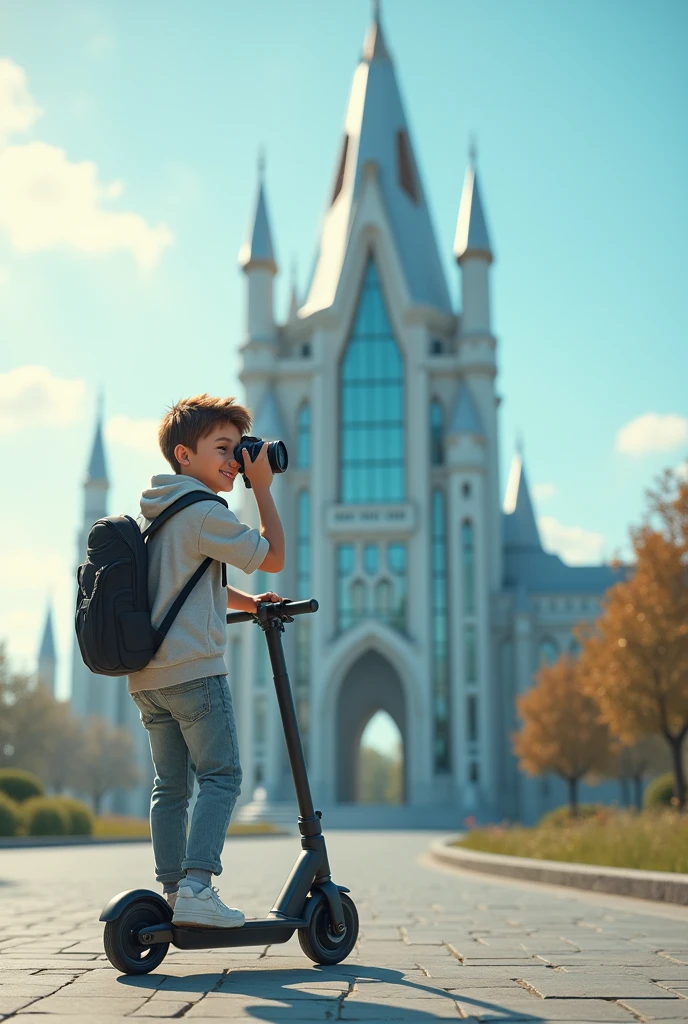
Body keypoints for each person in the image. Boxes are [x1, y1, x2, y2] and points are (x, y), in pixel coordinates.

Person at [128, 393, 284, 929]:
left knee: (170, 786)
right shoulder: (203, 511)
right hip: (196, 672)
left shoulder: (159, 512)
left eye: (240, 450)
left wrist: (249, 604)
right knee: (221, 776)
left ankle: (173, 891)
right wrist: (262, 489)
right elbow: (273, 557)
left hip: (148, 678)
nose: (235, 460)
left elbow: (192, 582)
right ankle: (198, 884)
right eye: (223, 448)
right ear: (183, 454)